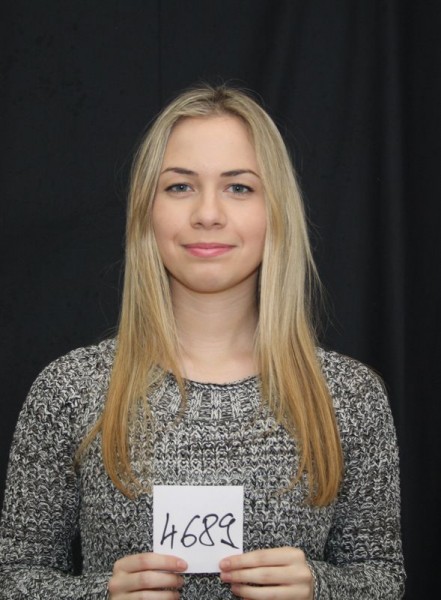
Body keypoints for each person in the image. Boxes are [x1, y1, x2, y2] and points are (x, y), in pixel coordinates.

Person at [0, 84, 405, 599]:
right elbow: (15, 576)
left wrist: (321, 589)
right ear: (146, 210)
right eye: (180, 186)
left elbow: (382, 574)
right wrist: (98, 595)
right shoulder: (70, 389)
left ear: (276, 210)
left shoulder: (349, 395)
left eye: (238, 187)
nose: (208, 214)